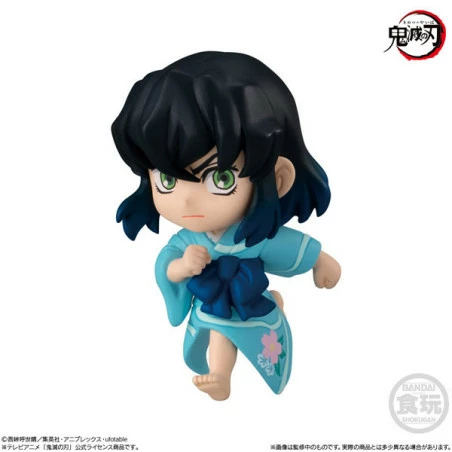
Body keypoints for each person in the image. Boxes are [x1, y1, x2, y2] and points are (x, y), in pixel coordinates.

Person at [112, 51, 341, 400]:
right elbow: (166, 267)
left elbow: (290, 247)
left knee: (233, 325)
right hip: (212, 306)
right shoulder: (189, 239)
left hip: (248, 303)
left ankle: (261, 319)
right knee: (219, 329)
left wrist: (321, 261)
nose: (187, 201)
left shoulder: (253, 237)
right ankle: (221, 374)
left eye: (220, 178)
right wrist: (182, 266)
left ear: (277, 178)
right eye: (167, 180)